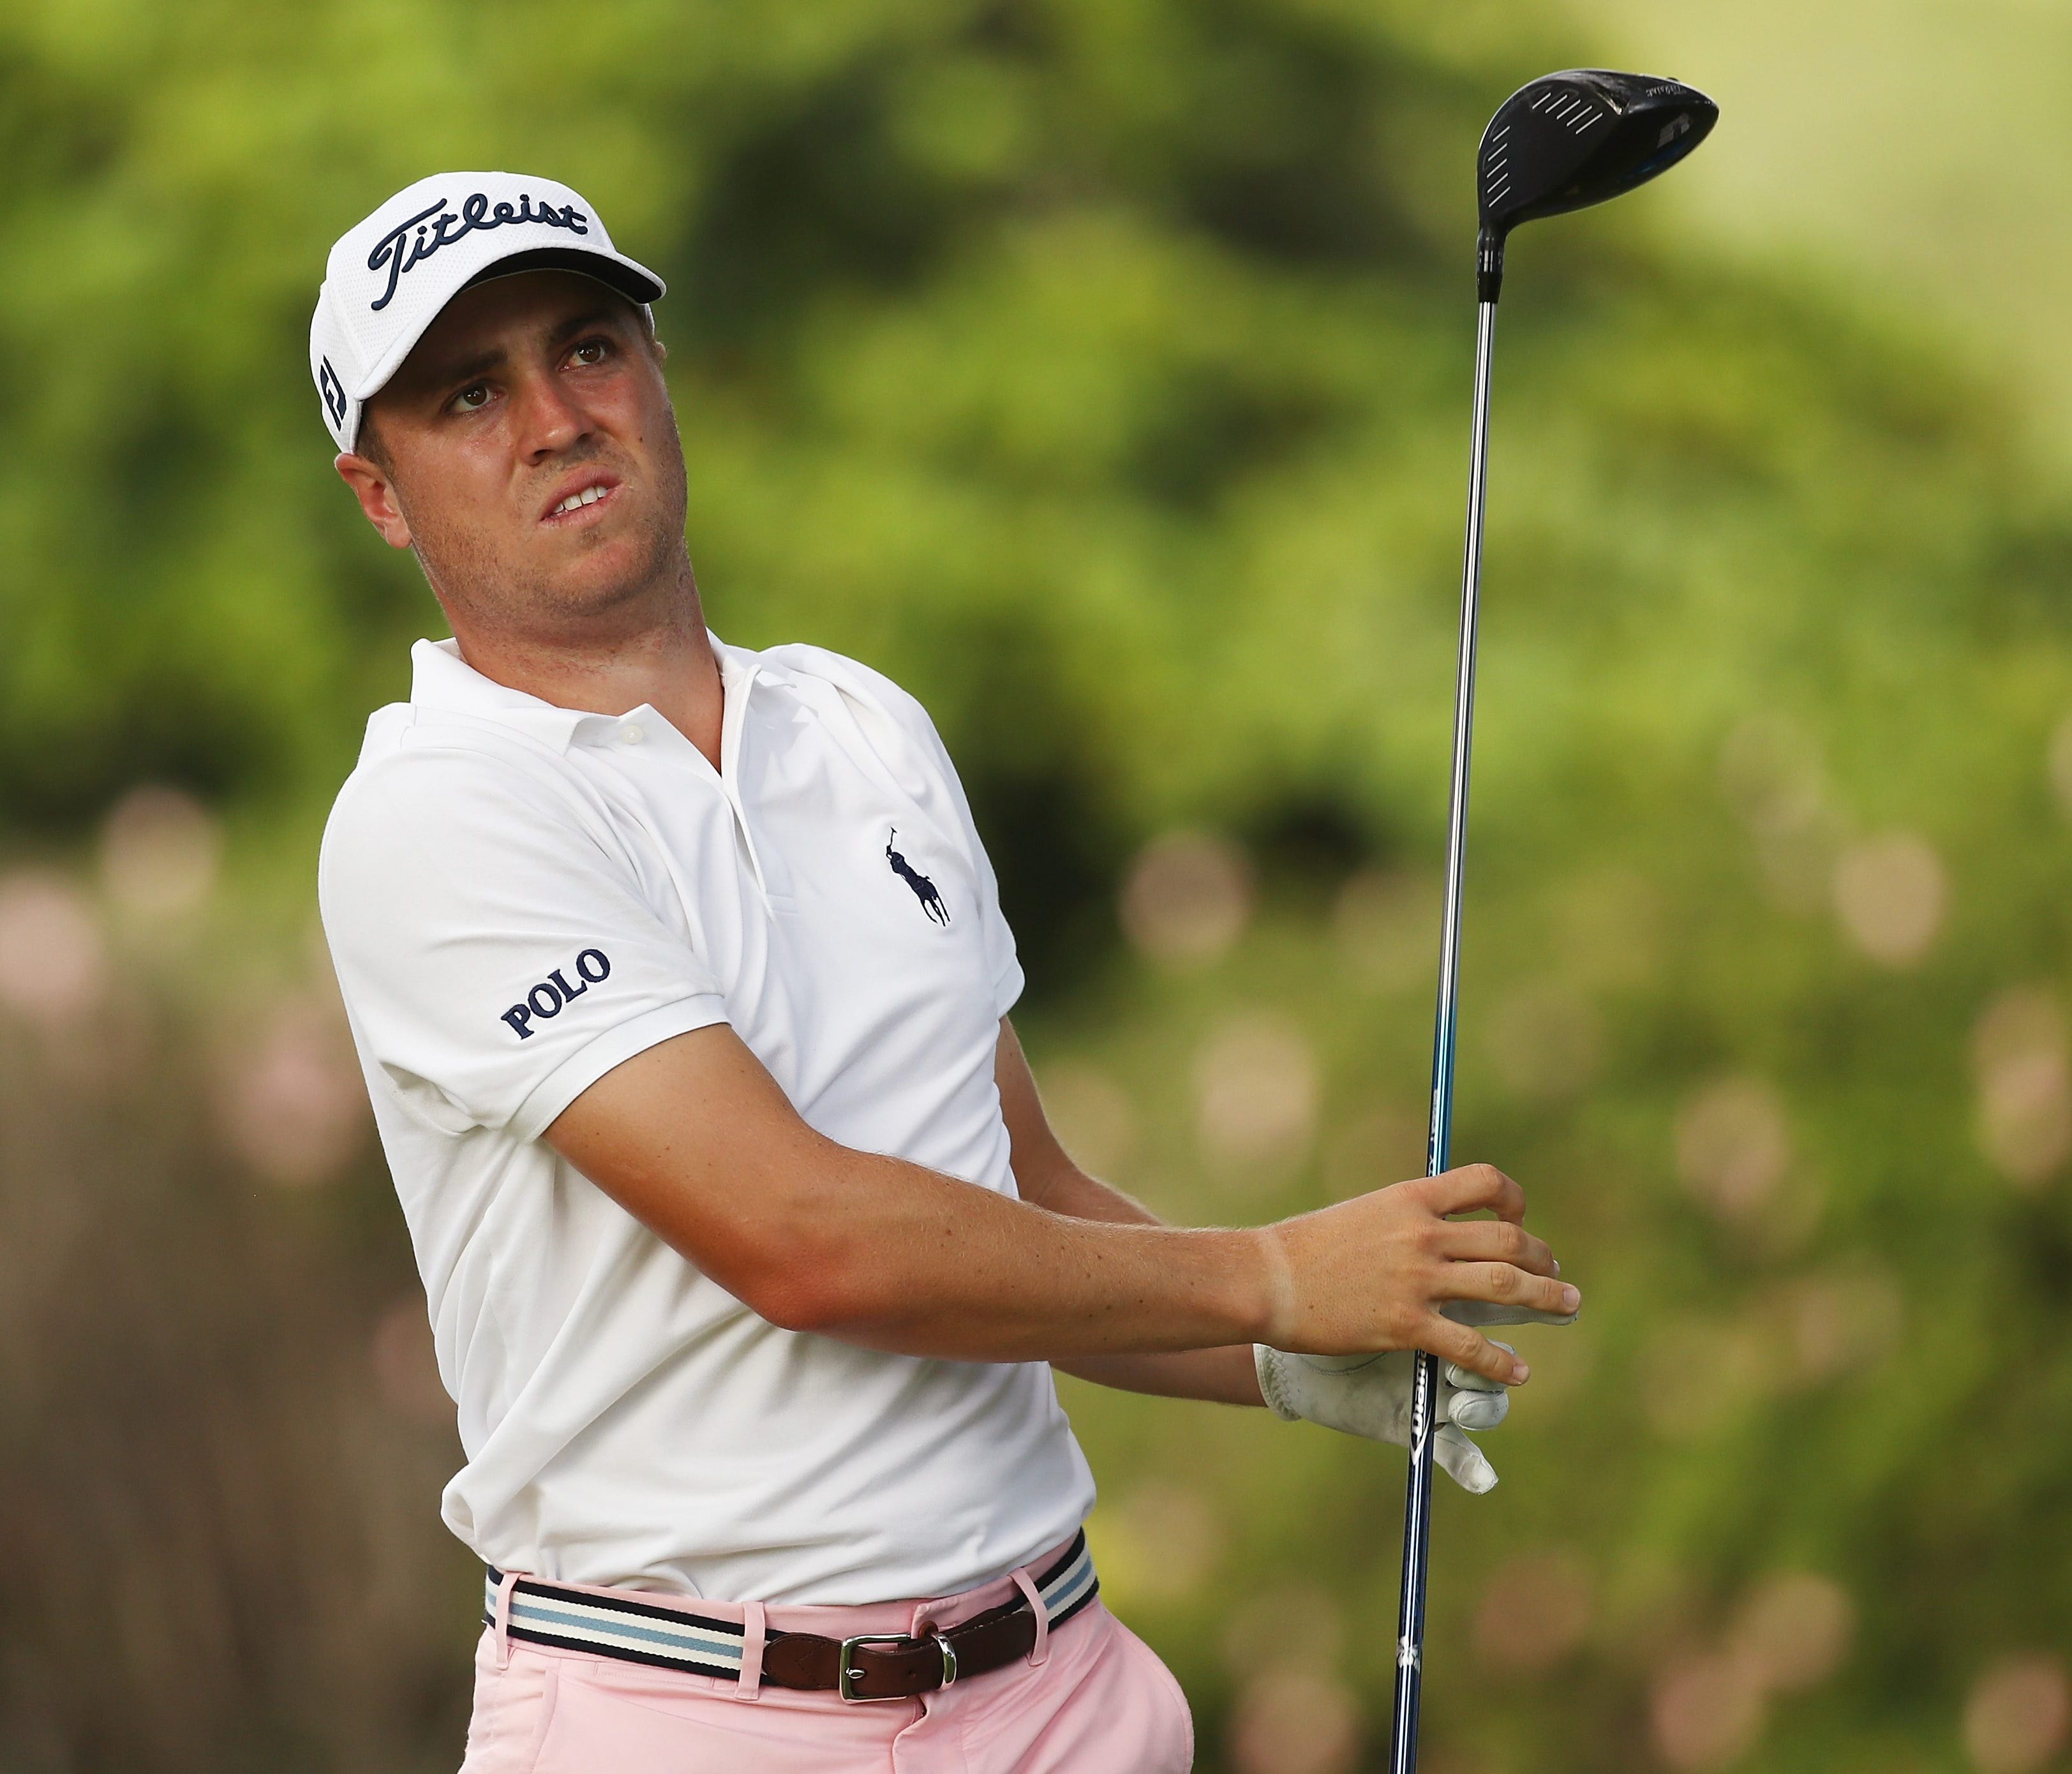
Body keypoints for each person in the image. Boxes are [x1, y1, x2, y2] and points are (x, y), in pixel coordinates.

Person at [311, 172, 1579, 1774]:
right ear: (381, 492)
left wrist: (1283, 1350)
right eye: (470, 394)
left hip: (1063, 1691)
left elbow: (1016, 1195)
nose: (556, 417)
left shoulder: (859, 728)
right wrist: (1267, 1273)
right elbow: (807, 1242)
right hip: (690, 1718)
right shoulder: (436, 811)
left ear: (657, 371)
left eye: (589, 349)